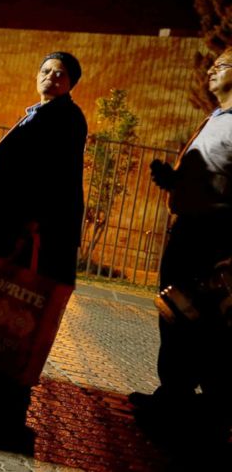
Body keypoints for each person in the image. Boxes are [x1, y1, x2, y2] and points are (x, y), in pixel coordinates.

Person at [0, 51, 87, 434]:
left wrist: (25, 211)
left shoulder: (65, 117)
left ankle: (8, 374)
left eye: (60, 74)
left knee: (18, 295)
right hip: (17, 217)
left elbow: (51, 173)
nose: (51, 77)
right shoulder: (41, 111)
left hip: (32, 226)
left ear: (71, 83)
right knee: (5, 292)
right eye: (45, 70)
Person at [129, 47, 232, 446]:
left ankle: (207, 410)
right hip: (189, 228)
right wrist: (173, 181)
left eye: (221, 66)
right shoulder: (215, 119)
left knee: (199, 320)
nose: (211, 71)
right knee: (174, 314)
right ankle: (172, 395)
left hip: (213, 235)